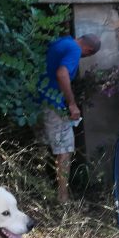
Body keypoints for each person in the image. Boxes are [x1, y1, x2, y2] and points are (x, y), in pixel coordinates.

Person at [38, 33, 101, 203]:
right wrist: (72, 103)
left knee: (42, 145)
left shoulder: (62, 41)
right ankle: (63, 197)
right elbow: (62, 73)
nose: (83, 57)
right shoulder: (74, 49)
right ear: (88, 50)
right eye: (86, 55)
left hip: (37, 101)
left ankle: (40, 189)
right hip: (52, 104)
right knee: (65, 149)